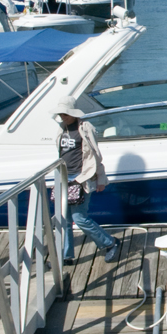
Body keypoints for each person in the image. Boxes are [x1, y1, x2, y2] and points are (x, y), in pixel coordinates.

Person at [54, 97, 121, 264]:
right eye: (61, 114)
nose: (63, 117)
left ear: (73, 113)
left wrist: (100, 178)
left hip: (80, 178)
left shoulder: (84, 128)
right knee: (64, 220)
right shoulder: (62, 129)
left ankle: (110, 243)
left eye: (66, 114)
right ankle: (66, 255)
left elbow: (95, 155)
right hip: (63, 177)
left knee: (80, 218)